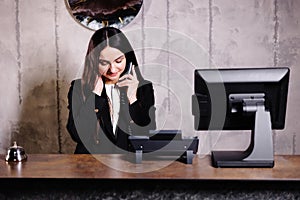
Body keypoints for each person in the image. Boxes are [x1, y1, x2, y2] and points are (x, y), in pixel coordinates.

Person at [67, 27, 156, 154]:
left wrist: (133, 100)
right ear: (93, 62)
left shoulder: (143, 88)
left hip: (129, 166)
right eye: (104, 63)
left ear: (128, 58)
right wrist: (95, 96)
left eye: (118, 61)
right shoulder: (79, 88)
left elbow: (147, 134)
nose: (112, 69)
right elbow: (77, 135)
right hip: (91, 167)